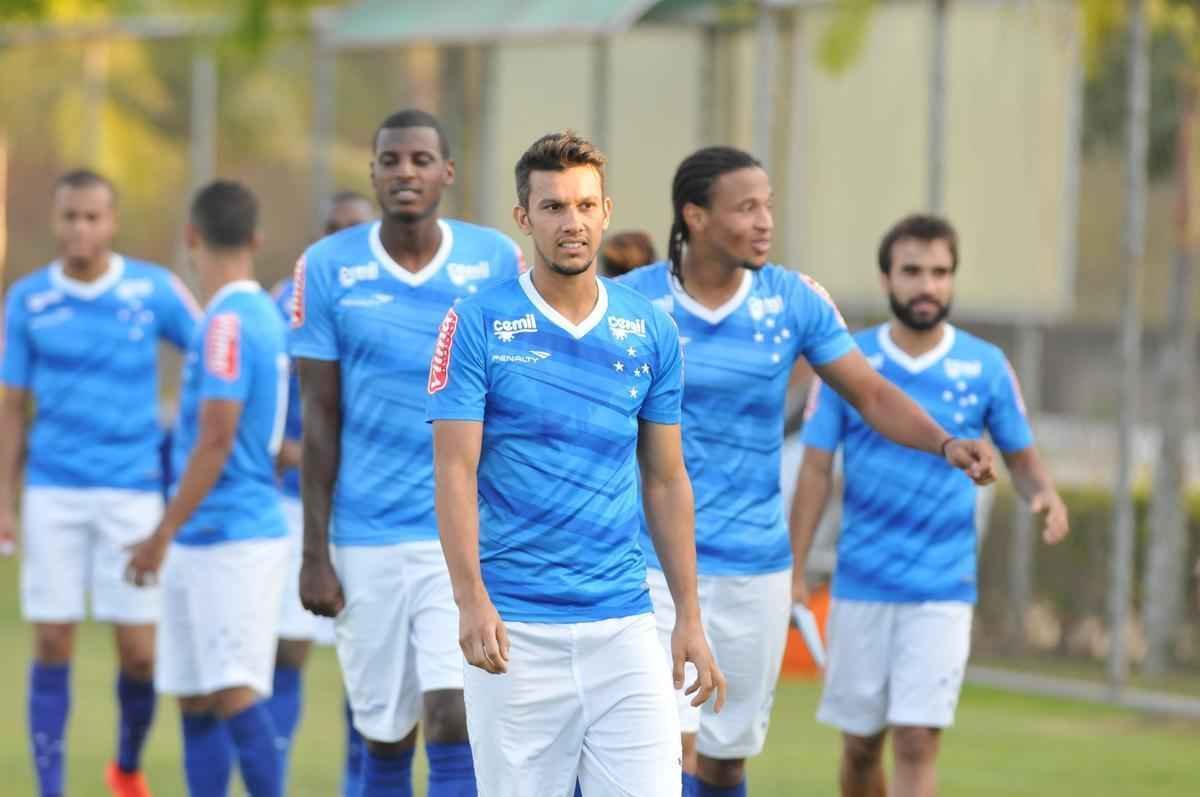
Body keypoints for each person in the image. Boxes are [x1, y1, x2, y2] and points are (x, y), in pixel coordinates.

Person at [619, 148, 997, 797]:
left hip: (755, 567)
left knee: (725, 759)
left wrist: (944, 442)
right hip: (648, 564)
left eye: (768, 205)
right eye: (746, 208)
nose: (766, 221)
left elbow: (870, 393)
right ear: (696, 216)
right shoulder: (632, 301)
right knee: (664, 747)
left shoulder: (794, 300)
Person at [428, 130, 726, 796]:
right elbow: (453, 470)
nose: (573, 222)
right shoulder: (476, 323)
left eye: (586, 205)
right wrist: (470, 599)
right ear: (524, 217)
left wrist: (688, 614)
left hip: (624, 625)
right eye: (554, 206)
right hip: (515, 630)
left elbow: (666, 478)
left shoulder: (649, 328)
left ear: (606, 211)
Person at [794, 213, 1070, 797]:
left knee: (918, 740)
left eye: (941, 273)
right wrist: (795, 569)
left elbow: (1022, 460)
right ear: (886, 278)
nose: (928, 285)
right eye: (913, 271)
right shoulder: (848, 362)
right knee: (861, 747)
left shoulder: (986, 365)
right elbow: (816, 467)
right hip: (861, 583)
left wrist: (1044, 494)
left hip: (942, 587)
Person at [292, 109, 523, 797]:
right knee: (386, 735)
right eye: (390, 160)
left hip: (463, 535)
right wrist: (314, 552)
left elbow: (515, 397)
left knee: (454, 713)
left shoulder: (493, 260)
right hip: (366, 535)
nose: (405, 172)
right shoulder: (327, 267)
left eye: (421, 160)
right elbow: (320, 416)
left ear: (447, 173)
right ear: (372, 172)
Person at [0, 169, 200, 797]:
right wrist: (4, 500)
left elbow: (211, 354)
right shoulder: (28, 299)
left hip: (132, 492)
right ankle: (49, 788)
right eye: (70, 216)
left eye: (92, 216)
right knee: (52, 639)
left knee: (140, 653)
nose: (80, 228)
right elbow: (11, 407)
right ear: (55, 221)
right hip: (52, 491)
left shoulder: (152, 288)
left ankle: (126, 766)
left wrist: (188, 441)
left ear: (112, 222)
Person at [126, 180, 289, 797]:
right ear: (256, 240)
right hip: (207, 534)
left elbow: (216, 438)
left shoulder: (225, 324)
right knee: (195, 698)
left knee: (233, 690)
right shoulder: (259, 314)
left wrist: (160, 534)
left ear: (192, 237)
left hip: (231, 535)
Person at [268, 190, 374, 795]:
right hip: (296, 501)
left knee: (370, 665)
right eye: (331, 228)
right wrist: (279, 448)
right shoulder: (284, 301)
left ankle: (356, 784)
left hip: (368, 508)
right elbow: (260, 393)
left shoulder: (395, 299)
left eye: (352, 229)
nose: (340, 239)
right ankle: (272, 781)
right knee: (287, 649)